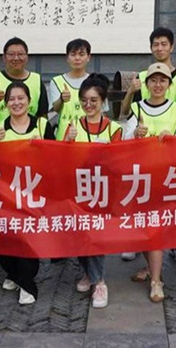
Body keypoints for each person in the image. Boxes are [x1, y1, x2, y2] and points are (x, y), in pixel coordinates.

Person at [123, 61, 176, 302]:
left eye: (162, 80)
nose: (158, 84)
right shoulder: (137, 108)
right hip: (140, 178)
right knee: (142, 229)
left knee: (155, 230)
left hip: (166, 178)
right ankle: (151, 268)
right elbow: (124, 140)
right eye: (153, 80)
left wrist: (173, 139)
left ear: (169, 84)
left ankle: (156, 281)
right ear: (146, 84)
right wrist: (135, 135)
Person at [62, 74, 121, 309]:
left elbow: (119, 162)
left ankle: (100, 282)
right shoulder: (74, 126)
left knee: (95, 236)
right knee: (80, 235)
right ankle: (89, 273)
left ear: (103, 102)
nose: (89, 105)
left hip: (103, 192)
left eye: (94, 100)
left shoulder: (114, 128)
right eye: (84, 100)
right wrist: (68, 143)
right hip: (79, 190)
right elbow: (62, 159)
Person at [0, 81, 48, 305]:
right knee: (6, 242)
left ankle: (27, 284)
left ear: (29, 101)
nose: (16, 103)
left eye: (21, 98)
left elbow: (58, 157)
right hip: (5, 195)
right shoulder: (0, 128)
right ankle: (13, 274)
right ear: (5, 104)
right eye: (11, 99)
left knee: (28, 240)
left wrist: (43, 147)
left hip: (34, 195)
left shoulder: (41, 125)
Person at [120, 27, 176, 119]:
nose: (159, 48)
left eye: (164, 44)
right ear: (151, 48)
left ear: (171, 47)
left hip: (173, 127)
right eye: (156, 45)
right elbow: (126, 112)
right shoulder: (142, 77)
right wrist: (130, 91)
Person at [0, 37, 48, 126]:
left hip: (31, 134)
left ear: (27, 57)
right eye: (11, 54)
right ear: (4, 57)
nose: (16, 58)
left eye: (20, 54)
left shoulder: (36, 80)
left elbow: (43, 114)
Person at [49, 38, 103, 140]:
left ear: (88, 57)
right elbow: (55, 109)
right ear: (67, 58)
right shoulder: (57, 81)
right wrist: (61, 99)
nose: (77, 58)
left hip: (90, 137)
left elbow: (102, 111)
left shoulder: (96, 81)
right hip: (65, 137)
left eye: (81, 54)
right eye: (73, 54)